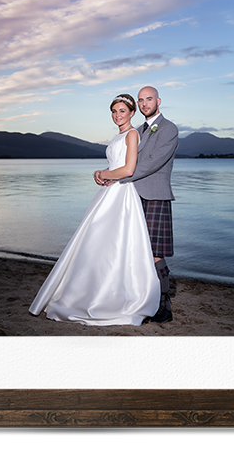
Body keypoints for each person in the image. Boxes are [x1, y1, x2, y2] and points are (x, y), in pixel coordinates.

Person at [27, 93, 160, 325]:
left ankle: (110, 296)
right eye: (114, 111)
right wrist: (100, 173)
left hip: (121, 194)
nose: (117, 115)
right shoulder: (118, 136)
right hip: (109, 192)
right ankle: (90, 290)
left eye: (122, 111)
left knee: (113, 243)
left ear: (132, 113)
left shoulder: (132, 134)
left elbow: (129, 169)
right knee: (96, 243)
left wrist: (103, 174)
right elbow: (115, 165)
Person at [99, 85, 181, 323]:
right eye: (141, 100)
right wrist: (112, 175)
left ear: (158, 101)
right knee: (135, 251)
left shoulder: (169, 128)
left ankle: (164, 305)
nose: (145, 103)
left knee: (156, 253)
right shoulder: (138, 131)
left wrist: (115, 176)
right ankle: (142, 299)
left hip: (155, 195)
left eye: (149, 99)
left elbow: (151, 164)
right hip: (132, 196)